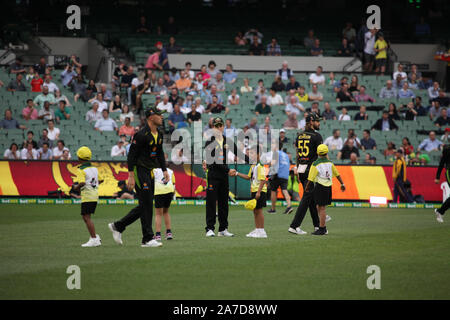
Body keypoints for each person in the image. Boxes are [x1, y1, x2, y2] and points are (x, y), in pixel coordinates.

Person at [109, 107, 168, 248]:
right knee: (147, 204)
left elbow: (159, 153)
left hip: (150, 171)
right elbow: (131, 156)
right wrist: (131, 175)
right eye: (159, 115)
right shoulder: (140, 135)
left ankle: (118, 226)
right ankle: (147, 239)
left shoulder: (159, 134)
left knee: (145, 204)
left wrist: (164, 170)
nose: (162, 117)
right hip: (139, 171)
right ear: (151, 117)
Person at [203, 117, 242, 237]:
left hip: (224, 176)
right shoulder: (210, 141)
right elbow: (214, 161)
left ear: (223, 126)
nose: (219, 128)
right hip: (213, 175)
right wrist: (228, 169)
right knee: (211, 202)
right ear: (213, 128)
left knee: (224, 203)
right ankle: (209, 228)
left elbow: (238, 153)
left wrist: (252, 160)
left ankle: (223, 229)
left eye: (221, 125)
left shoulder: (227, 140)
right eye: (216, 126)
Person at [289, 113, 323, 235]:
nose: (319, 123)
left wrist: (297, 170)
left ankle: (317, 225)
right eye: (317, 121)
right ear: (311, 122)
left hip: (302, 169)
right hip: (311, 170)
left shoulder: (299, 136)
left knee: (311, 199)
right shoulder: (317, 136)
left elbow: (297, 155)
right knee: (307, 198)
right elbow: (320, 155)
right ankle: (294, 225)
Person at [306, 144, 346, 235]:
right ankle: (323, 224)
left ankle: (322, 229)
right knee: (319, 207)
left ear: (317, 153)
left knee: (321, 208)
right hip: (328, 187)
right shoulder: (330, 163)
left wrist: (307, 187)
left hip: (320, 186)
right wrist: (342, 184)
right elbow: (337, 174)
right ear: (326, 152)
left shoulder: (315, 164)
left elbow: (310, 178)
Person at [234, 146, 268, 238]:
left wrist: (259, 192)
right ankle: (257, 229)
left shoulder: (260, 165)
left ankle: (262, 231)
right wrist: (237, 173)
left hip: (259, 191)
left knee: (259, 210)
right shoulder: (253, 165)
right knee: (255, 210)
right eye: (250, 153)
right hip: (254, 190)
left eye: (252, 153)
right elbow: (248, 177)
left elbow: (263, 180)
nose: (250, 155)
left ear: (258, 155)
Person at [73, 147, 103, 247]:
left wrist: (76, 187)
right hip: (94, 194)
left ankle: (94, 239)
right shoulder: (94, 168)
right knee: (86, 216)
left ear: (79, 157)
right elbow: (101, 180)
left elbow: (81, 182)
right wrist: (92, 183)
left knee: (86, 217)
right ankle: (95, 237)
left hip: (87, 195)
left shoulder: (80, 169)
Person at [267, 143, 293, 214]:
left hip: (277, 174)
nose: (272, 146)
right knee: (284, 190)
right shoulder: (285, 155)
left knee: (273, 190)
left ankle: (273, 209)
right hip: (285, 174)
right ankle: (289, 206)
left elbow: (273, 163)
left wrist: (267, 163)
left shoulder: (276, 153)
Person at [153, 164, 176, 241]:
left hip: (159, 192)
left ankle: (158, 235)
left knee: (158, 214)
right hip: (169, 192)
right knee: (166, 212)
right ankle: (169, 233)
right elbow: (173, 183)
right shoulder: (171, 171)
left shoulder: (154, 171)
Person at [434, 144, 450, 223]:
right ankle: (440, 211)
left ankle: (440, 211)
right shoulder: (447, 149)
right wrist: (437, 177)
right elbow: (442, 163)